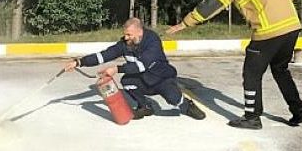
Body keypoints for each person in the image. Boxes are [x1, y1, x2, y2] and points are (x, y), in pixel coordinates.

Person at [166, 0, 302, 130]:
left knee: (251, 73)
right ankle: (299, 112)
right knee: (281, 69)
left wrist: (185, 23)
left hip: (268, 30)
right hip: (292, 26)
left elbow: (213, 4)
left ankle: (252, 117)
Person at [64, 18, 206, 121]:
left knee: (174, 100)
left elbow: (141, 65)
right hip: (142, 79)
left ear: (140, 32)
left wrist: (117, 69)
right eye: (125, 34)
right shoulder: (125, 43)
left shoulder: (152, 40)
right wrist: (79, 62)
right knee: (127, 81)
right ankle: (144, 107)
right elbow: (104, 55)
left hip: (161, 78)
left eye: (129, 35)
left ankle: (187, 105)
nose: (126, 38)